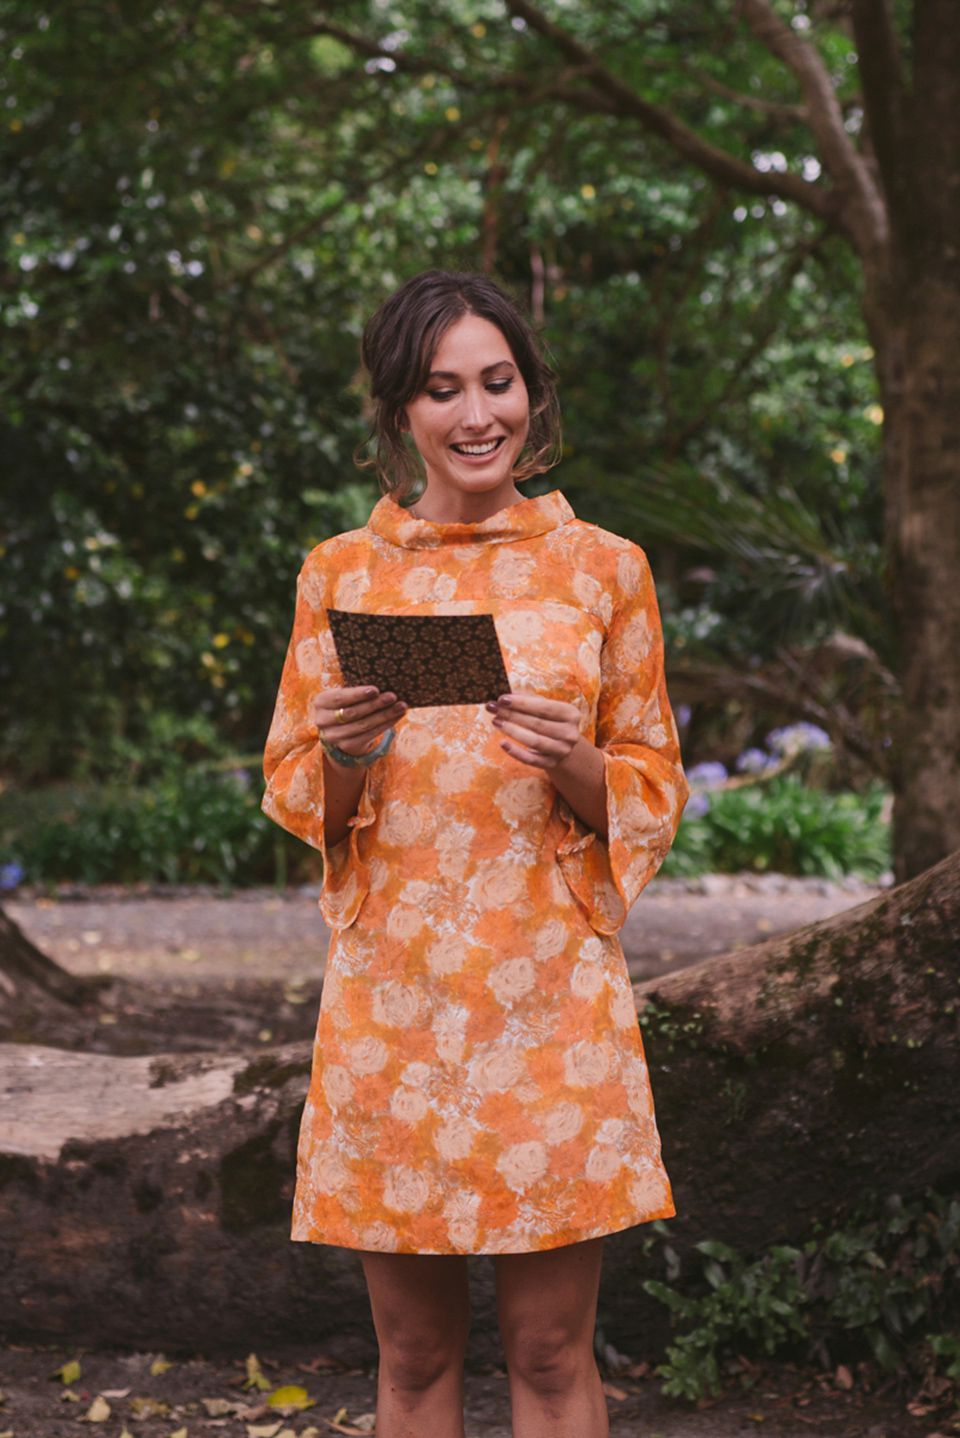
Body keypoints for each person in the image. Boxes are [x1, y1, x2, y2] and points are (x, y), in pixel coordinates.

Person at [262, 270, 689, 1438]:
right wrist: (348, 746)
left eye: (496, 380)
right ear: (400, 412)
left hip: (550, 1000)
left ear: (533, 393)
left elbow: (652, 788)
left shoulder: (605, 567)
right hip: (392, 1003)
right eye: (441, 388)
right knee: (410, 1355)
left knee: (552, 1353)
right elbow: (301, 791)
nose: (474, 412)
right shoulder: (340, 573)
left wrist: (573, 761)